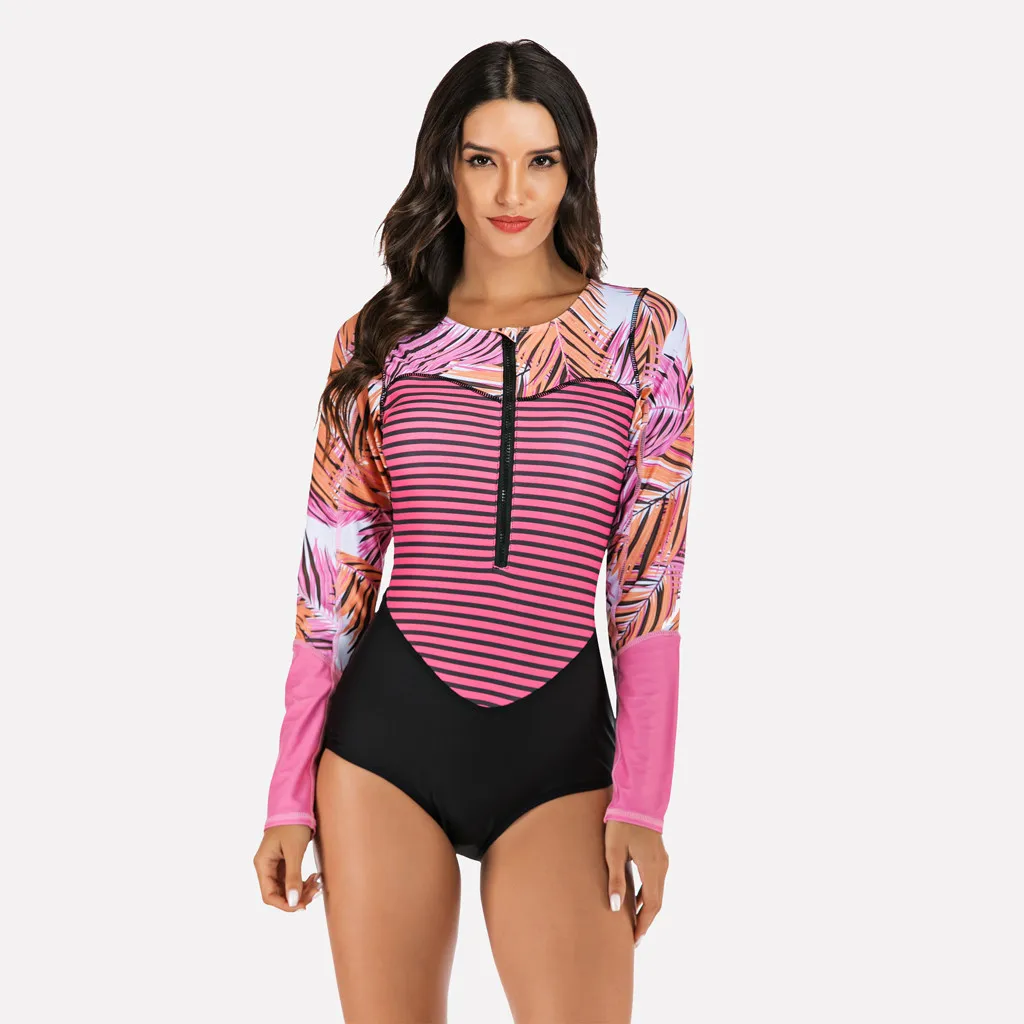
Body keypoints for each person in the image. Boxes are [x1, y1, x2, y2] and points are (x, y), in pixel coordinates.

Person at [252, 38, 695, 1023]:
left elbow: (648, 582)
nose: (511, 191)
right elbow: (332, 579)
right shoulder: (381, 339)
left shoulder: (641, 336)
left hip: (559, 752)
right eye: (482, 158)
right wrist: (287, 793)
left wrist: (642, 801)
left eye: (541, 160)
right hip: (386, 746)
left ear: (573, 170)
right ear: (443, 166)